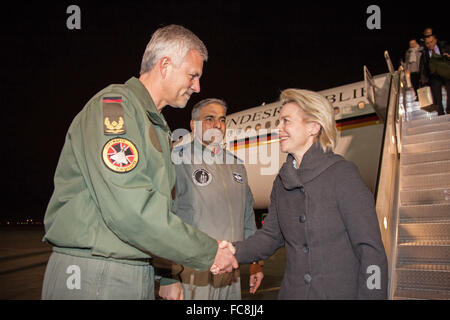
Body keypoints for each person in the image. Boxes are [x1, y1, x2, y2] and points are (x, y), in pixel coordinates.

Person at [41, 24, 237, 300]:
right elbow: (131, 211)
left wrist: (165, 274)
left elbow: (153, 212)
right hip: (98, 274)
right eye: (193, 75)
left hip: (129, 270)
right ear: (165, 65)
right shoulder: (115, 109)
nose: (197, 86)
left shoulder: (152, 123)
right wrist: (209, 251)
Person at [230, 89, 388, 299]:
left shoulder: (343, 174)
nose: (278, 128)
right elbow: (270, 237)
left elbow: (370, 251)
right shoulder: (282, 181)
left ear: (314, 127)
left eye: (286, 121)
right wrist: (230, 252)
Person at [168, 98, 263, 300]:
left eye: (221, 119)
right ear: (193, 125)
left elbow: (247, 217)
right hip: (194, 271)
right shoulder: (177, 161)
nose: (217, 125)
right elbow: (165, 219)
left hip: (231, 272)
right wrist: (169, 277)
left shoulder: (236, 165)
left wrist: (255, 261)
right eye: (209, 119)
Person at [419, 34, 450, 115]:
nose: (430, 44)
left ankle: (449, 109)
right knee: (437, 95)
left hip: (446, 73)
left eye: (431, 42)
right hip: (434, 76)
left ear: (435, 41)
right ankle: (440, 111)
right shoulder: (424, 53)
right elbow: (423, 67)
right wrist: (423, 80)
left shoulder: (444, 48)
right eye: (427, 43)